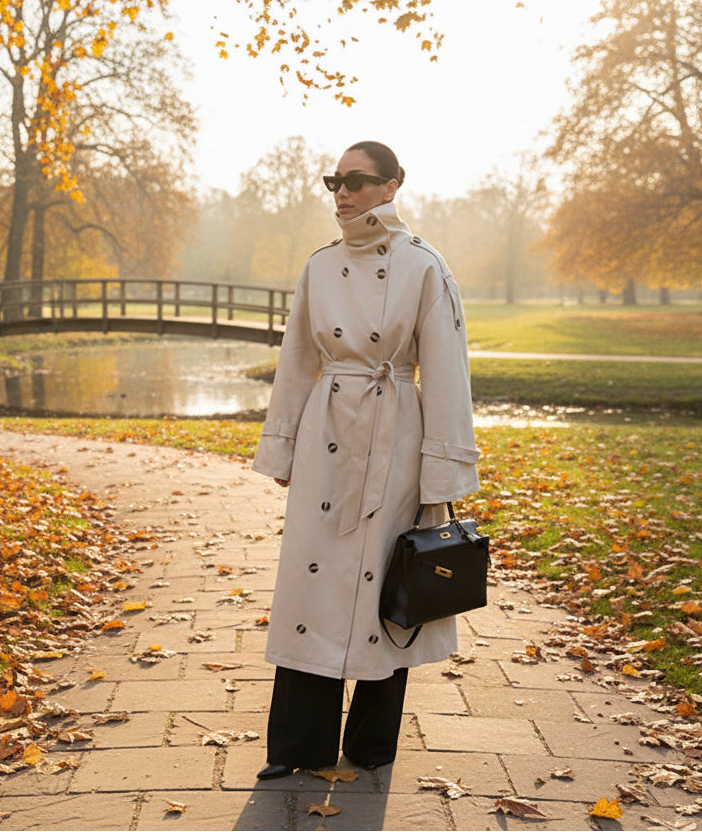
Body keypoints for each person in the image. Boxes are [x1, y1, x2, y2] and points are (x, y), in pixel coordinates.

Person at [251, 140, 479, 779]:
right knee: (310, 585)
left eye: (357, 180)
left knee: (387, 585)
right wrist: (285, 445)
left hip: (395, 438)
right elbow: (296, 360)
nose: (342, 193)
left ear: (392, 185)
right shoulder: (318, 266)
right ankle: (299, 748)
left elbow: (446, 374)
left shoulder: (424, 266)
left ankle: (372, 746)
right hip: (329, 425)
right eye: (334, 181)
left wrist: (442, 472)